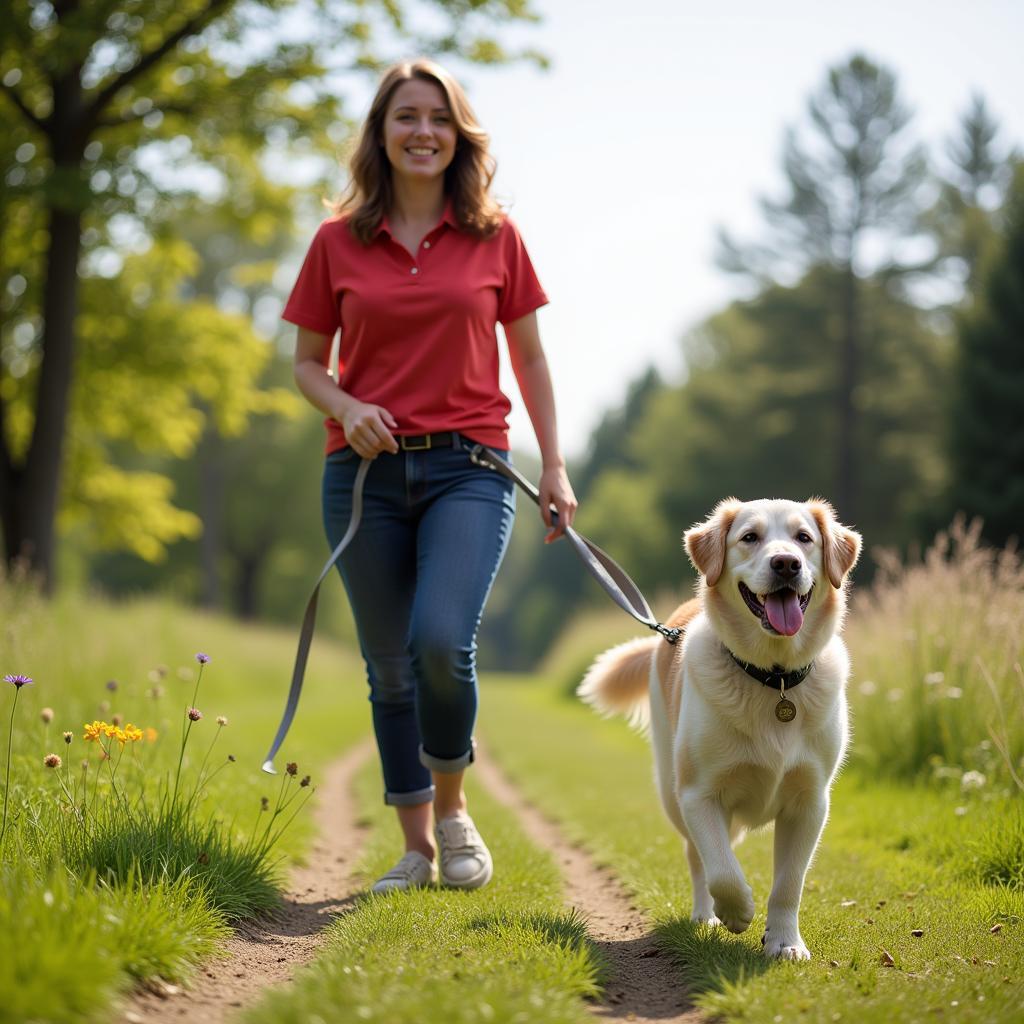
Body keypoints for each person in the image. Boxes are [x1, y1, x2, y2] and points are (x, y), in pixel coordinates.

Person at [282, 58, 577, 893]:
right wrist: (345, 406)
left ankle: (453, 813)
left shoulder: (496, 237)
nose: (423, 132)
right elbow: (306, 364)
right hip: (363, 478)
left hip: (470, 469)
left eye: (439, 118)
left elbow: (531, 357)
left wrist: (553, 466)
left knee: (441, 642)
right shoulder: (337, 241)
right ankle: (414, 849)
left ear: (460, 135)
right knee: (389, 666)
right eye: (405, 116)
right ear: (381, 133)